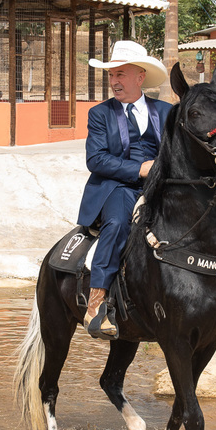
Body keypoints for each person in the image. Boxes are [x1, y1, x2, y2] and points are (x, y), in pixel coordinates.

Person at [77, 40, 170, 339]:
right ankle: (96, 303)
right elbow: (97, 159)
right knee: (117, 223)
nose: (114, 81)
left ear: (139, 77)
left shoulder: (166, 112)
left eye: (120, 74)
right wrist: (138, 169)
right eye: (111, 75)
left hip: (159, 186)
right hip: (117, 186)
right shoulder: (100, 114)